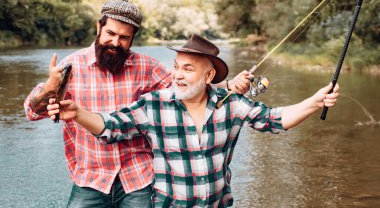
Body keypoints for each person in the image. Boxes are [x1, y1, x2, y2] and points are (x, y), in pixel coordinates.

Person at [47, 34, 339, 207]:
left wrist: (314, 101)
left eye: (188, 69)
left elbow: (275, 119)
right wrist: (78, 114)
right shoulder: (155, 105)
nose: (177, 75)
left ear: (209, 76)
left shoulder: (232, 104)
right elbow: (110, 126)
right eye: (176, 67)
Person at [24, 0, 251, 207]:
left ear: (133, 38)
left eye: (124, 37)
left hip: (138, 179)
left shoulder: (147, 67)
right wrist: (51, 86)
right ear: (98, 28)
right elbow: (32, 112)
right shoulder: (71, 64)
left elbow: (190, 93)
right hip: (89, 179)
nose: (115, 42)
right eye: (110, 33)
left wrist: (229, 88)